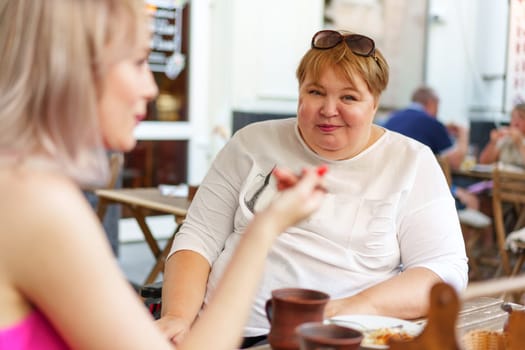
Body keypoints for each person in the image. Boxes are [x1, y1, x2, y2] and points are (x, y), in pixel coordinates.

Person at [0, 1, 327, 349]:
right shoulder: (36, 201)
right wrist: (266, 226)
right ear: (71, 67)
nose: (152, 88)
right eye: (139, 61)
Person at [158, 29, 468, 347]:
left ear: (374, 103)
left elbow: (444, 269)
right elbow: (198, 237)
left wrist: (339, 311)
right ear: (300, 93)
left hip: (339, 339)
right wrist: (178, 316)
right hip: (221, 334)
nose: (329, 109)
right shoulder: (252, 142)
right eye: (316, 92)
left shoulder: (411, 161)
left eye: (348, 97)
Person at [383, 86, 469, 171]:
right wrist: (463, 132)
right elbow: (455, 163)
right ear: (431, 103)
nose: (437, 111)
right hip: (417, 179)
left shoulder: (392, 118)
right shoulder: (432, 123)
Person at [479, 103, 525, 169]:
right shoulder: (506, 139)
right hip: (502, 177)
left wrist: (519, 143)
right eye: (513, 117)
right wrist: (493, 142)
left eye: (521, 117)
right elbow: (484, 163)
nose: (516, 121)